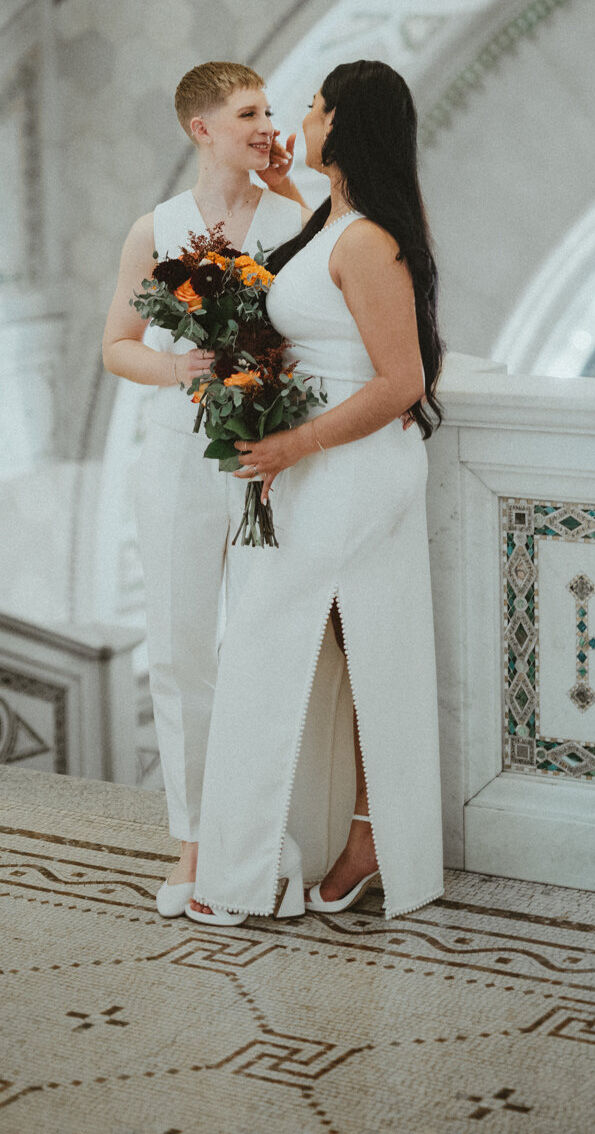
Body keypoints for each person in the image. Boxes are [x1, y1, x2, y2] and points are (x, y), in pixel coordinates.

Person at [187, 59, 445, 925]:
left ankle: (268, 865)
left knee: (284, 644)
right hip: (321, 464)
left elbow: (400, 380)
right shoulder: (337, 219)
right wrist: (286, 186)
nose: (300, 116)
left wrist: (293, 441)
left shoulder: (370, 239)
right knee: (347, 646)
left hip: (349, 466)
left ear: (342, 123)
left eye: (313, 106)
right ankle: (343, 844)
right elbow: (304, 288)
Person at [101, 62, 307, 917]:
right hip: (178, 451)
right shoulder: (158, 229)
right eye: (249, 112)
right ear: (203, 129)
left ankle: (263, 833)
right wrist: (174, 364)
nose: (267, 124)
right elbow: (117, 344)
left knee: (264, 645)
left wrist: (291, 181)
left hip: (269, 448)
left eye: (271, 110)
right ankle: (192, 839)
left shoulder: (298, 218)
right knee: (182, 647)